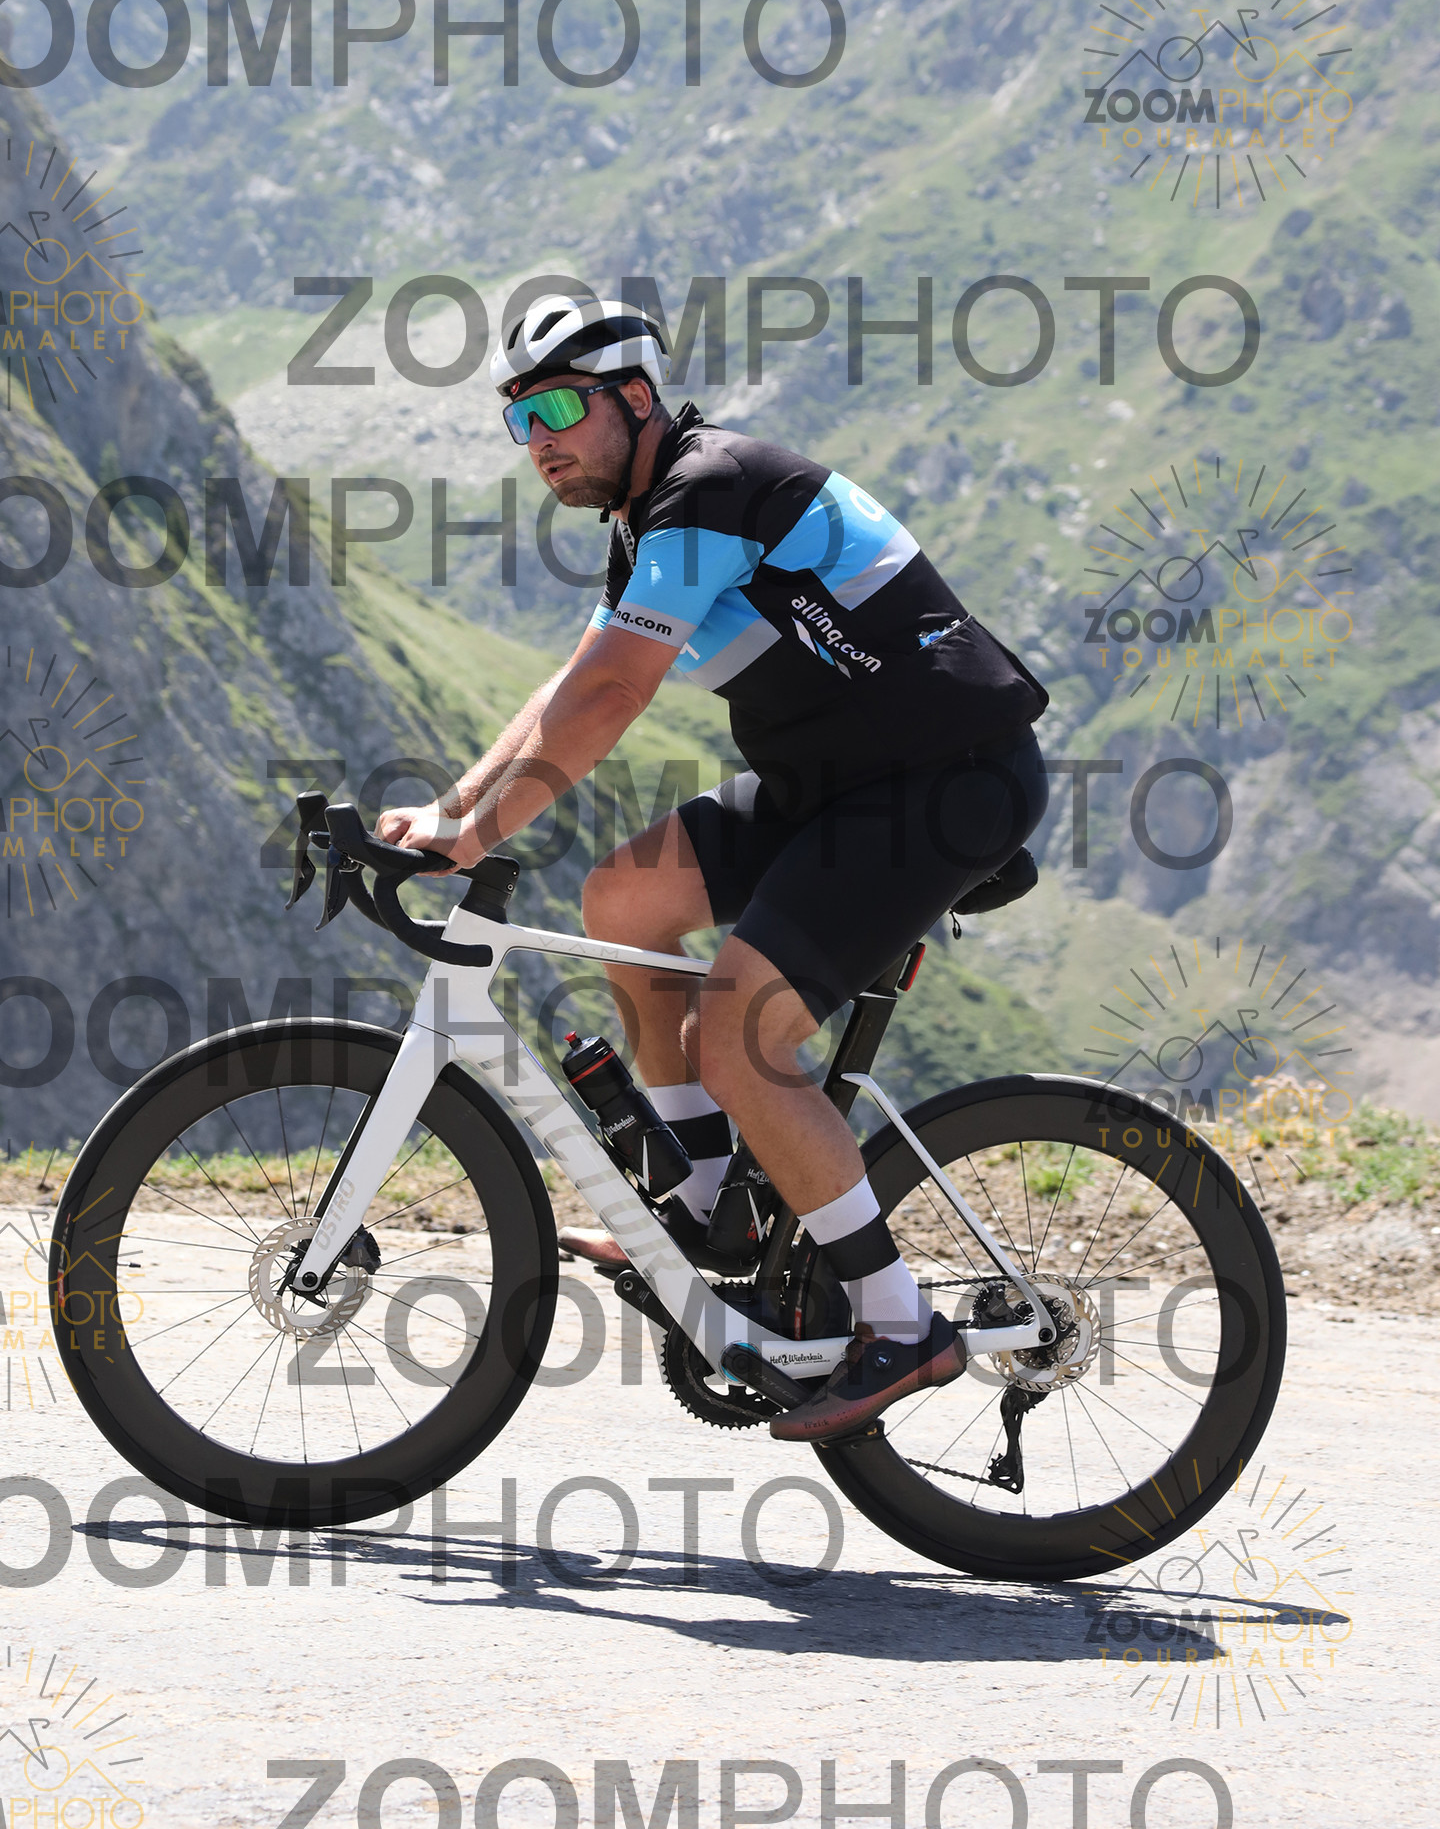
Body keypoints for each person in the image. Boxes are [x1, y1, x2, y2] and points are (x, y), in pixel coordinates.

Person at [379, 293, 1050, 1440]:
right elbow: (570, 681)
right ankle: (705, 1206)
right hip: (833, 788)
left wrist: (478, 838)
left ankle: (900, 1326)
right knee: (623, 896)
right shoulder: (649, 523)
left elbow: (611, 696)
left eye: (557, 409)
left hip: (944, 783)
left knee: (740, 1034)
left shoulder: (712, 487)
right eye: (519, 419)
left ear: (636, 398)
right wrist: (450, 808)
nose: (538, 440)